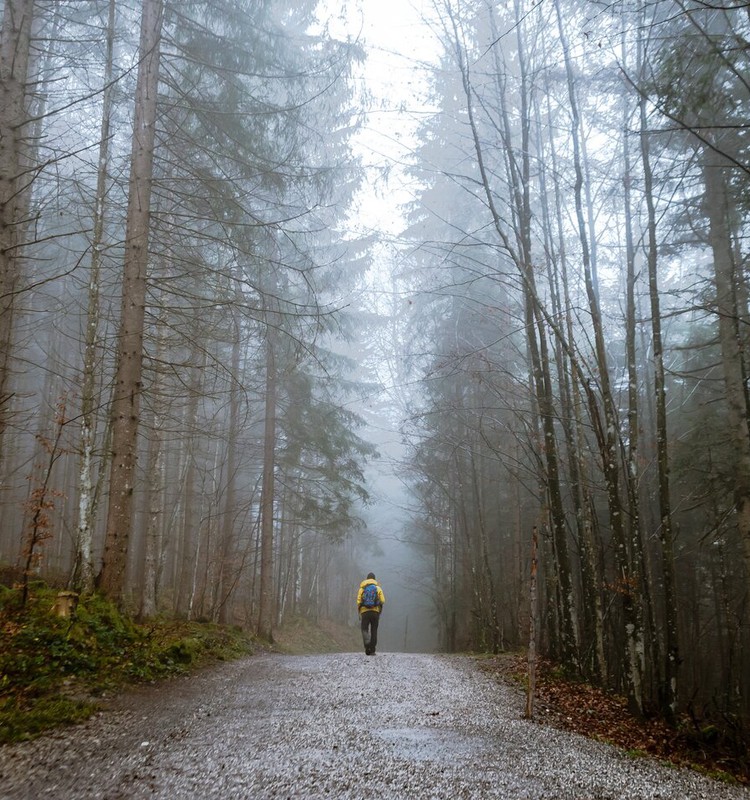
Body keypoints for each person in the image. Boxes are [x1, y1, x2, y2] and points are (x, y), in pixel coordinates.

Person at [357, 572, 385, 656]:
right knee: (374, 630)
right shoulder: (378, 588)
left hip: (364, 612)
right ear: (374, 579)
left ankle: (367, 646)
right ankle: (372, 650)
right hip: (375, 612)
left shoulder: (362, 589)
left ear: (367, 579)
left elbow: (358, 601)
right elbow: (383, 600)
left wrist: (361, 608)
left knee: (364, 629)